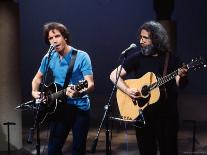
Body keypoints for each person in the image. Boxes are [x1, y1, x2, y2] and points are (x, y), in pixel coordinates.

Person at [110, 21, 188, 155]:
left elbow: (179, 83)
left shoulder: (171, 58)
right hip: (143, 115)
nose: (141, 41)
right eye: (140, 37)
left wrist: (183, 76)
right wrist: (128, 90)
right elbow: (113, 75)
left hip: (167, 116)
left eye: (145, 38)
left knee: (169, 150)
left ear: (156, 39)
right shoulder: (137, 58)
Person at [31, 22, 94, 155]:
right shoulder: (49, 57)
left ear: (65, 37)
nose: (54, 40)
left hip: (79, 108)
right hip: (59, 108)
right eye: (50, 38)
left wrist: (78, 92)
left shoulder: (81, 56)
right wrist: (34, 91)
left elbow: (90, 83)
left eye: (57, 36)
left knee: (78, 150)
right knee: (53, 150)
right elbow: (37, 78)